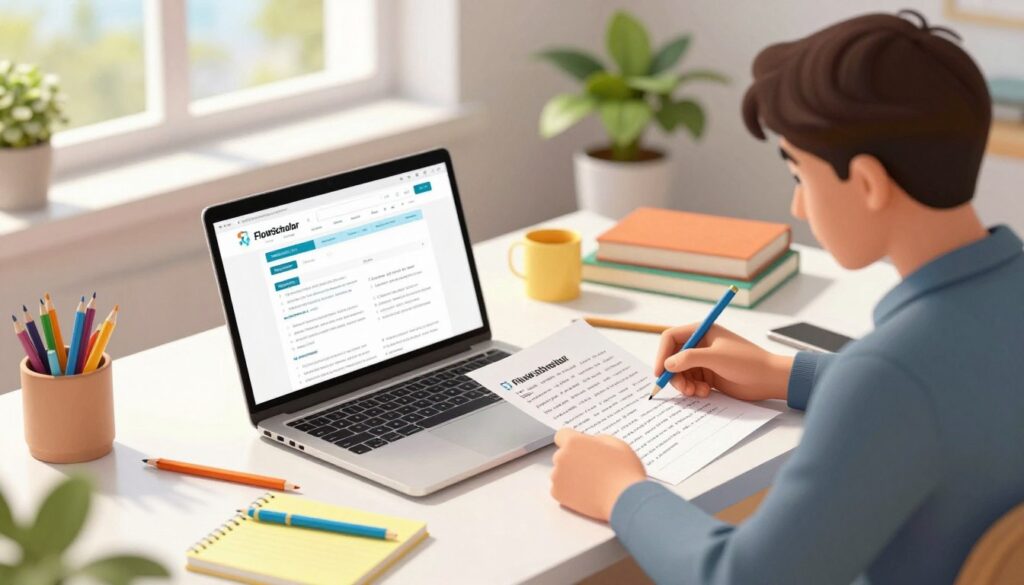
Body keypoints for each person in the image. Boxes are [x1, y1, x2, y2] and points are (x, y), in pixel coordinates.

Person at [548, 10, 1024, 584]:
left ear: (867, 183)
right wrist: (781, 372)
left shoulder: (890, 376)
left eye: (800, 175)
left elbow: (742, 578)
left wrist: (620, 491)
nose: (797, 206)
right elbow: (954, 386)